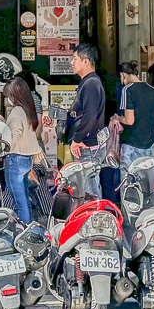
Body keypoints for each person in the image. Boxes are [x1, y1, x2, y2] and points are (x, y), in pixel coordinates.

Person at [57, 43, 107, 199]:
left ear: (86, 61)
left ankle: (96, 219)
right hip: (84, 146)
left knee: (89, 190)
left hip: (87, 147)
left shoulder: (91, 83)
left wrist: (77, 139)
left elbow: (90, 116)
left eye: (75, 58)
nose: (72, 62)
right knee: (85, 188)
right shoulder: (87, 82)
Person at [0, 77, 41, 224]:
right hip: (26, 159)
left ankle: (24, 231)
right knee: (24, 200)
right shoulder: (28, 109)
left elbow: (13, 136)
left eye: (8, 96)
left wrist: (3, 129)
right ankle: (28, 228)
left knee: (19, 202)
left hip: (15, 160)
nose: (7, 100)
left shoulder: (17, 111)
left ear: (14, 95)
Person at [116, 61, 154, 196]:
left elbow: (129, 120)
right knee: (149, 186)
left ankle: (128, 215)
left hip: (132, 145)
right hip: (150, 144)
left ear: (123, 75)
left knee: (129, 186)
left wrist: (117, 118)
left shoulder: (127, 90)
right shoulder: (151, 90)